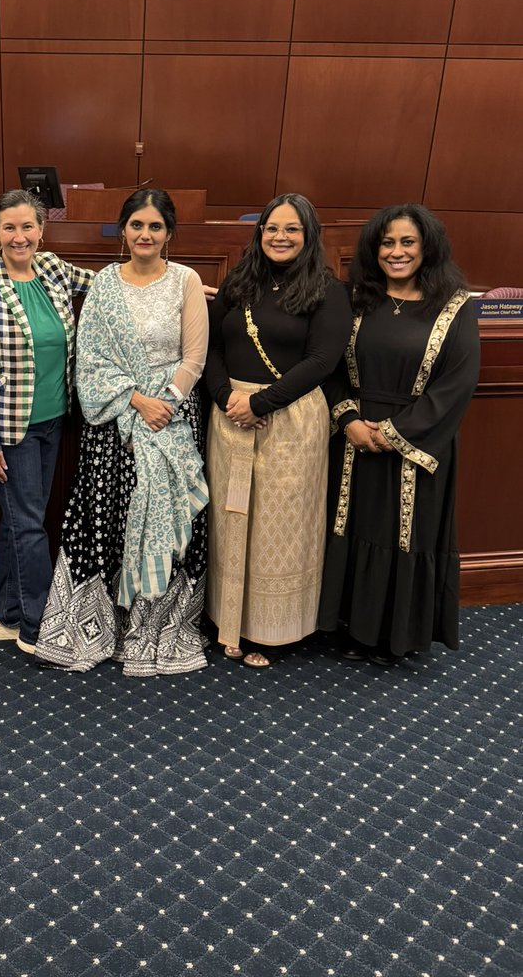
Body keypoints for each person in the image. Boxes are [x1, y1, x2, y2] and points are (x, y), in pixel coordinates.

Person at [35, 189, 210, 676]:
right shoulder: (105, 285)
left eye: (155, 226)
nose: (145, 235)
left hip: (173, 421)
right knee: (107, 515)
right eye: (137, 225)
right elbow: (89, 362)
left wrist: (165, 405)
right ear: (123, 231)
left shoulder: (186, 281)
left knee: (167, 518)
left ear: (168, 233)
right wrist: (137, 402)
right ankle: (97, 624)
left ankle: (155, 626)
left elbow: (194, 356)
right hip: (115, 424)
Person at [319, 204, 480, 665]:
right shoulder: (354, 299)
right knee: (351, 524)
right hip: (353, 437)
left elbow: (456, 384)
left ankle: (395, 636)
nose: (396, 252)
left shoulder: (455, 306)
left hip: (416, 440)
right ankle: (351, 626)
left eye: (407, 242)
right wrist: (349, 419)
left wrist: (393, 432)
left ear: (427, 246)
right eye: (387, 242)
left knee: (405, 534)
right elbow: (327, 366)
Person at [204, 193, 352, 668]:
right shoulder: (240, 281)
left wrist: (261, 402)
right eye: (272, 228)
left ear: (308, 236)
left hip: (289, 420)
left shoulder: (327, 290)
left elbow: (322, 361)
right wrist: (226, 396)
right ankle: (227, 619)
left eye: (291, 229)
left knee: (278, 524)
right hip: (230, 416)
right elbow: (209, 344)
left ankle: (270, 630)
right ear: (259, 233)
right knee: (231, 518)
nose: (280, 237)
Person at [0, 189, 95, 654]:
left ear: (42, 230)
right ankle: (38, 624)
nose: (20, 236)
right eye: (9, 227)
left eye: (28, 226)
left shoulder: (53, 269)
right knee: (32, 526)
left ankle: (0, 611)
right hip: (10, 429)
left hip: (55, 419)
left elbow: (112, 285)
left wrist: (178, 284)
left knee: (23, 521)